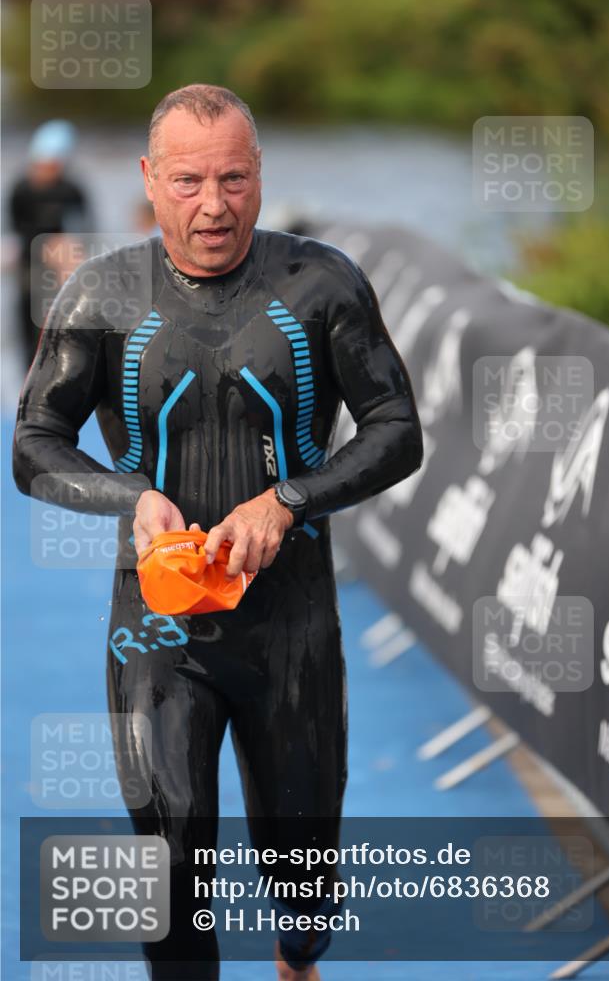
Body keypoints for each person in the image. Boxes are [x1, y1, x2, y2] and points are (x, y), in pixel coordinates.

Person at [13, 85, 423, 980]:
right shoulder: (102, 294)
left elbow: (397, 429)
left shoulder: (319, 283)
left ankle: (297, 950)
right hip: (156, 629)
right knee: (169, 861)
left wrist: (288, 501)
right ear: (149, 180)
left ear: (260, 176)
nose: (213, 204)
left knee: (305, 880)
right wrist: (131, 499)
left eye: (234, 178)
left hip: (292, 625)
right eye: (189, 180)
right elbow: (33, 446)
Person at [9, 119, 92, 370]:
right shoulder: (21, 190)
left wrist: (71, 252)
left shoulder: (71, 190)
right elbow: (15, 230)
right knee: (28, 331)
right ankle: (27, 382)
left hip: (62, 270)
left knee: (61, 332)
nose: (46, 171)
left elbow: (85, 231)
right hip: (30, 267)